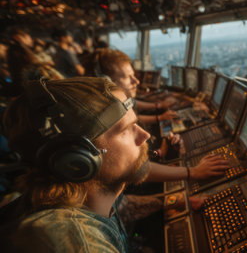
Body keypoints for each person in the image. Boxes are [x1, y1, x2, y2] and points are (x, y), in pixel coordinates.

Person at [0, 77, 228, 252]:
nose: (145, 136)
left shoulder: (80, 201)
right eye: (125, 130)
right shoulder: (77, 243)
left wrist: (173, 201)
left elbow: (123, 208)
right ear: (77, 159)